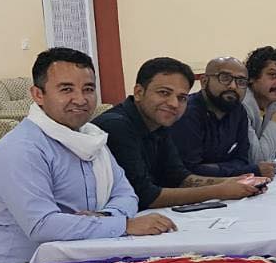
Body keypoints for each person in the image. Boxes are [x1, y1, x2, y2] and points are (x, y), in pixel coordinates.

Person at [0, 49, 173, 263]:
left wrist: (105, 217)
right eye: (66, 89)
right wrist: (124, 225)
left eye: (88, 89)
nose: (80, 99)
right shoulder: (22, 148)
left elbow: (126, 194)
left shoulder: (91, 138)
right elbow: (42, 226)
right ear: (38, 94)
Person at [93, 57, 264, 210]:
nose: (174, 104)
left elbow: (179, 177)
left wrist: (234, 181)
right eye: (164, 93)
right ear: (139, 92)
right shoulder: (117, 126)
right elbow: (145, 196)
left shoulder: (159, 123)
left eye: (182, 98)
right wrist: (220, 190)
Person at [170, 57, 271, 178]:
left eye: (241, 81)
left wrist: (216, 168)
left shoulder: (238, 111)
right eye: (225, 78)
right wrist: (249, 170)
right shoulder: (187, 113)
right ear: (204, 81)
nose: (233, 86)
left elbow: (242, 159)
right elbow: (189, 171)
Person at [243, 46, 276, 164]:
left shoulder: (274, 102)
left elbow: (272, 156)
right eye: (273, 75)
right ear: (252, 77)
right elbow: (258, 161)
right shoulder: (242, 105)